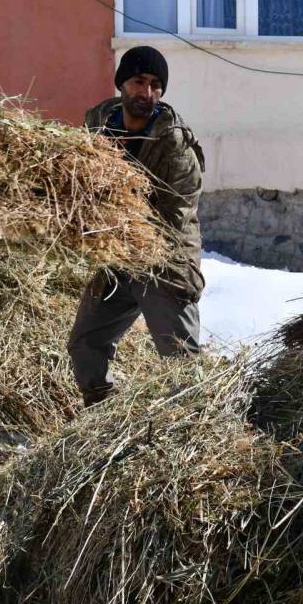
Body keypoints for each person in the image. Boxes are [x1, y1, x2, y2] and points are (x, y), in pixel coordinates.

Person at [68, 46, 206, 407]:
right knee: (86, 344)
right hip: (116, 256)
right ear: (121, 84)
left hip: (163, 258)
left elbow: (176, 214)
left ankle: (197, 425)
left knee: (180, 360)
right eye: (138, 82)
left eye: (156, 85)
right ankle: (103, 418)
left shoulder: (176, 146)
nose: (147, 93)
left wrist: (117, 219)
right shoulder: (98, 124)